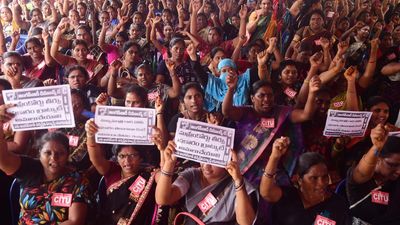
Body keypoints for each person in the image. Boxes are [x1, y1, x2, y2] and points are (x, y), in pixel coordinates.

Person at [0, 126, 91, 224]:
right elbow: (3, 159)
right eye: (48, 153)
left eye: (60, 153)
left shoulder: (77, 181)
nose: (54, 158)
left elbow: (75, 221)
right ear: (39, 153)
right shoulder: (29, 168)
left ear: (68, 154)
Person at [156, 140, 257, 225]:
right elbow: (163, 199)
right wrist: (168, 165)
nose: (206, 166)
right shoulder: (193, 175)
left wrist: (238, 181)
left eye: (213, 161)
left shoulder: (238, 184)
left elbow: (247, 222)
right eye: (204, 158)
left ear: (228, 159)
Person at [85, 119, 161, 225]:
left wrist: (162, 147)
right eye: (122, 156)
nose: (127, 161)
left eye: (133, 155)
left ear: (141, 158)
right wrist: (90, 135)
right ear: (117, 157)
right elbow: (95, 158)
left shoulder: (150, 175)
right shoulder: (112, 170)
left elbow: (164, 176)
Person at [260, 138, 351, 225]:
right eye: (314, 178)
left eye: (325, 177)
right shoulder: (288, 196)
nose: (322, 183)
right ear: (299, 179)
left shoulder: (337, 205)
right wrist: (274, 157)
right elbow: (266, 192)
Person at [346, 125, 400, 224]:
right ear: (377, 159)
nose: (399, 171)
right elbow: (362, 172)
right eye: (392, 165)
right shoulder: (361, 178)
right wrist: (377, 147)